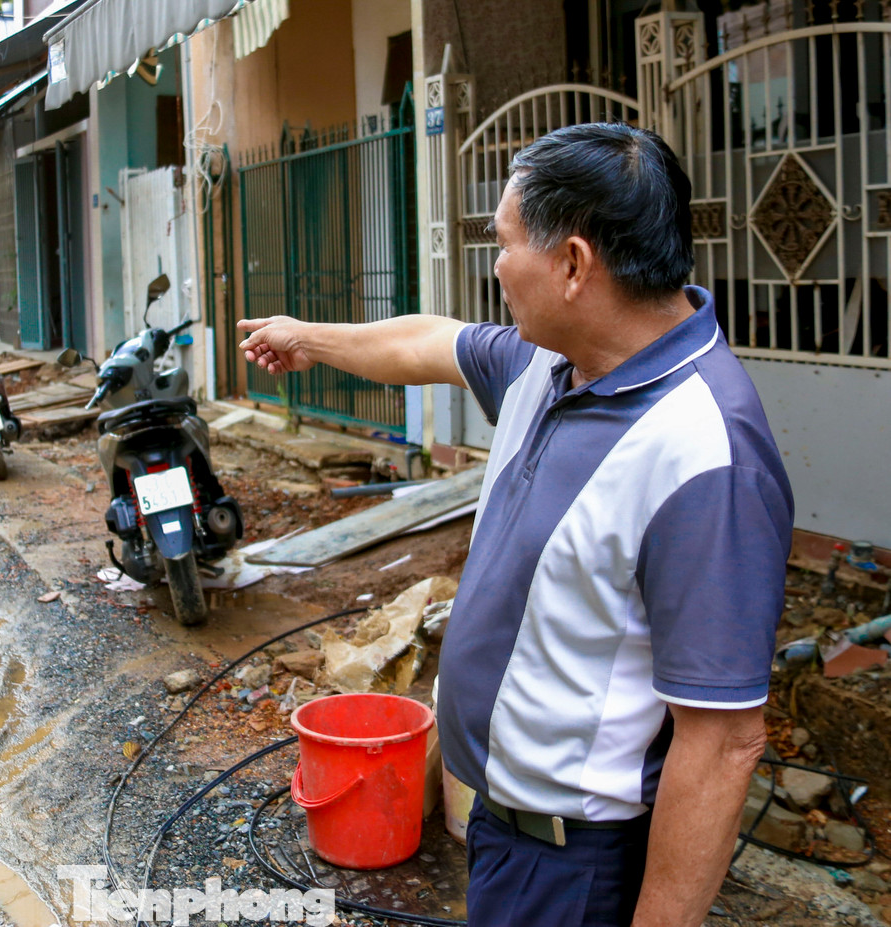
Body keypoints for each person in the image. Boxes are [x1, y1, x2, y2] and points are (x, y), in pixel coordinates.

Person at [237, 123, 793, 927]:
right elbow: (429, 340)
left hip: (577, 868)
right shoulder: (553, 360)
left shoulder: (705, 453)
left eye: (502, 244)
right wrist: (307, 337)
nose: (494, 267)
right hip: (505, 831)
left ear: (572, 264)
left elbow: (722, 744)